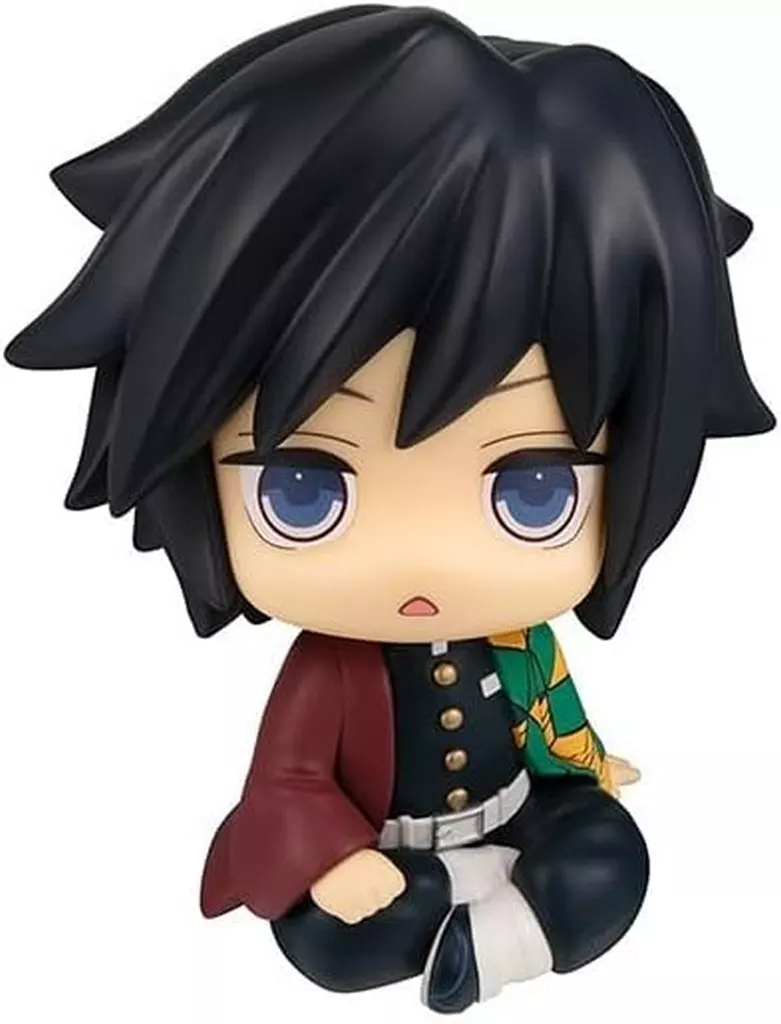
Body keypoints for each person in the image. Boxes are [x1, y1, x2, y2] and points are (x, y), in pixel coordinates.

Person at [5, 5, 773, 1014]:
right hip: (389, 851)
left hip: (514, 812)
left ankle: (492, 938)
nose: (421, 557)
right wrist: (330, 857)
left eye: (532, 488)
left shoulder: (520, 639)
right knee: (335, 935)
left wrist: (583, 766)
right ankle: (485, 925)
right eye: (305, 488)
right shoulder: (329, 669)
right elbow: (286, 779)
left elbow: (552, 716)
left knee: (609, 858)